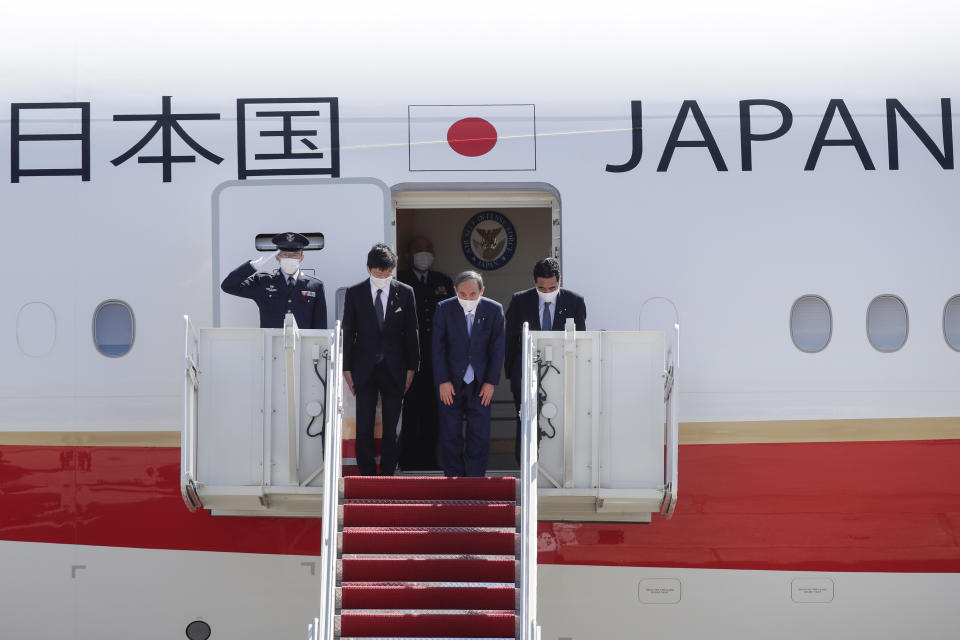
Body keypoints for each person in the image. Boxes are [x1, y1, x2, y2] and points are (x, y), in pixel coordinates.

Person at [341, 244, 420, 476]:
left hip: (395, 367)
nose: (383, 277)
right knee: (363, 424)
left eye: (387, 273)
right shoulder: (354, 293)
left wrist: (412, 368)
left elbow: (412, 331)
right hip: (363, 368)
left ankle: (389, 471)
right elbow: (348, 330)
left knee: (392, 425)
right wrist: (346, 367)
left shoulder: (405, 292)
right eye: (378, 273)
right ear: (368, 268)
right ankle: (366, 472)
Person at [504, 257, 586, 463]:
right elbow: (510, 339)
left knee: (561, 421)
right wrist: (511, 374)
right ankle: (524, 467)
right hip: (526, 373)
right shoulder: (520, 300)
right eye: (542, 288)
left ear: (560, 280)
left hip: (561, 373)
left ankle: (559, 467)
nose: (547, 292)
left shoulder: (574, 301)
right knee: (524, 422)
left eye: (552, 287)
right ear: (534, 282)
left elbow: (581, 341)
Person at [432, 271, 505, 477]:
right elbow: (438, 348)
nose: (468, 298)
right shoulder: (444, 308)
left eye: (473, 294)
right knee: (450, 431)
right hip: (451, 381)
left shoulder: (494, 309)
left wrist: (490, 382)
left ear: (482, 291)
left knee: (479, 432)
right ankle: (453, 477)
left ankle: (475, 477)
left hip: (481, 382)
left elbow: (497, 349)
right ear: (455, 291)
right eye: (462, 294)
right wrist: (443, 381)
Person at [397, 236, 454, 470]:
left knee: (433, 412)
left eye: (428, 249)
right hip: (408, 358)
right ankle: (409, 462)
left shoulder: (443, 281)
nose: (424, 254)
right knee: (410, 411)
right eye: (418, 249)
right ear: (409, 254)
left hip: (435, 359)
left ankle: (431, 460)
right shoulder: (400, 279)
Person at [220, 232, 327, 329]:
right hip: (270, 347)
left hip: (303, 347)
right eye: (285, 254)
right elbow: (228, 286)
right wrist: (254, 265)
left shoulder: (315, 286)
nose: (289, 258)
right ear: (277, 257)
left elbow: (320, 326)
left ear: (301, 257)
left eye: (294, 255)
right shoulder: (263, 282)